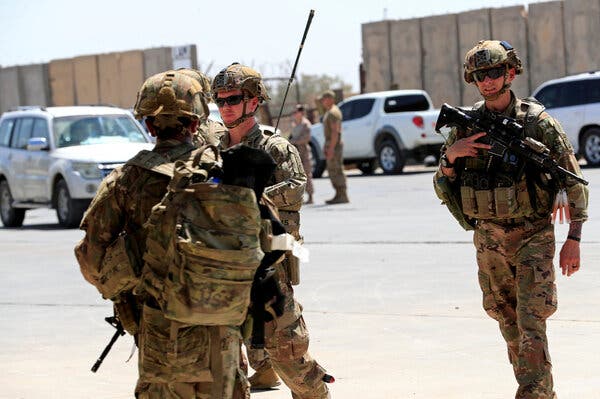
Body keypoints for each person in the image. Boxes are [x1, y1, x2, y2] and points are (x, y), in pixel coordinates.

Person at [74, 70, 250, 399]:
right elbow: (271, 246)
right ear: (196, 123)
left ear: (149, 126)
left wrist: (126, 292)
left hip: (160, 333)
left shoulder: (125, 180)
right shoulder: (227, 172)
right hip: (223, 332)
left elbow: (90, 259)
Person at [433, 40, 589, 399]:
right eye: (479, 76)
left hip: (533, 236)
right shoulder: (465, 124)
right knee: (508, 322)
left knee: (532, 323)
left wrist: (574, 239)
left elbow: (573, 182)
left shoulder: (538, 124)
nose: (486, 82)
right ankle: (537, 390)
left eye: (493, 73)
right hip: (488, 240)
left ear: (511, 73)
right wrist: (451, 156)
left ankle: (532, 394)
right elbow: (443, 186)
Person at [212, 62, 331, 399]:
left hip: (266, 266)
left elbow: (296, 189)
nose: (226, 107)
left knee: (289, 355)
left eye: (233, 99)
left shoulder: (274, 147)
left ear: (254, 101)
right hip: (222, 268)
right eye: (220, 101)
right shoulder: (214, 148)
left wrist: (251, 195)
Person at [319, 90, 349, 204]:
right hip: (332, 144)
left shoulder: (333, 112)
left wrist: (331, 148)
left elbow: (335, 132)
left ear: (330, 99)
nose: (323, 102)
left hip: (334, 145)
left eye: (324, 99)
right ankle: (338, 194)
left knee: (336, 170)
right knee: (333, 170)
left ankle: (342, 195)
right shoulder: (330, 111)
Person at [290, 104, 314, 204]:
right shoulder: (295, 124)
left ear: (301, 113)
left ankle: (311, 195)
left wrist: (294, 141)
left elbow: (306, 138)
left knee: (306, 173)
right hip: (295, 151)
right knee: (295, 174)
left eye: (296, 112)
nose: (294, 114)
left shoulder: (305, 124)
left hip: (303, 151)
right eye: (294, 112)